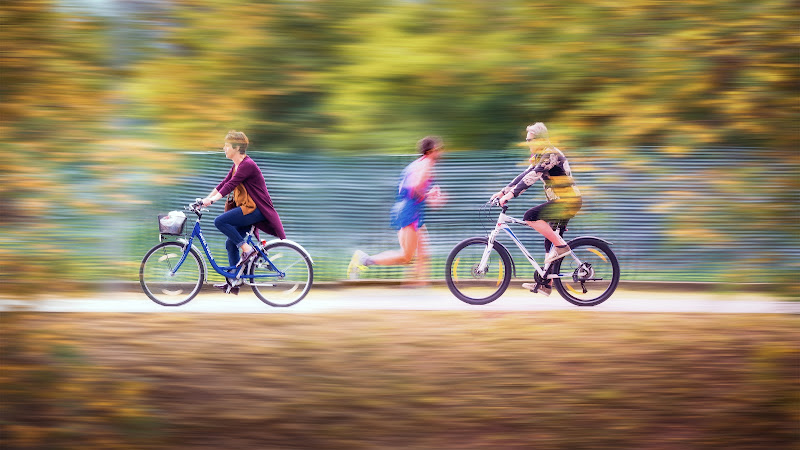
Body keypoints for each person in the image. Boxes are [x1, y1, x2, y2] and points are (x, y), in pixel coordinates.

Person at [490, 122, 582, 296]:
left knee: (530, 216)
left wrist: (511, 196)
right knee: (550, 240)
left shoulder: (551, 154)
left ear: (540, 139)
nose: (528, 143)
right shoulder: (541, 155)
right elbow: (524, 174)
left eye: (530, 139)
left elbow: (533, 177)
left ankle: (562, 247)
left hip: (567, 202)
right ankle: (547, 284)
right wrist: (503, 191)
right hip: (563, 202)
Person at [347, 136, 446, 285]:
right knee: (406, 257)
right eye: (439, 149)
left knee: (423, 252)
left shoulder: (417, 164)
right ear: (431, 150)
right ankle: (365, 260)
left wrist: (429, 194)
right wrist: (430, 195)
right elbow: (415, 189)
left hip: (407, 209)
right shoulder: (426, 164)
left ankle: (416, 285)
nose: (441, 152)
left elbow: (413, 188)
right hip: (409, 212)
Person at [201, 131, 286, 294]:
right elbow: (223, 183)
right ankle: (235, 279)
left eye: (227, 145)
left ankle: (247, 250)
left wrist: (212, 201)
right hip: (249, 208)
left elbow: (230, 185)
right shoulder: (237, 165)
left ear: (237, 147)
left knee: (220, 221)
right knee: (230, 243)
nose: (224, 148)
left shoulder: (247, 165)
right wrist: (205, 199)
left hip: (256, 209)